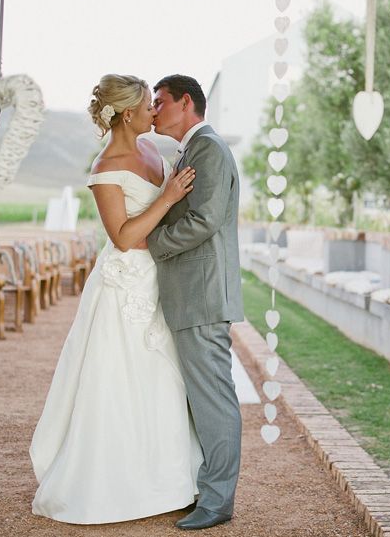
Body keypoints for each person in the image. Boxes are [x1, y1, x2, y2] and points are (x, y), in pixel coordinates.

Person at [29, 74, 202, 524]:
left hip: (159, 278)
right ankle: (115, 485)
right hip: (126, 285)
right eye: (150, 105)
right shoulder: (106, 167)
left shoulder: (153, 149)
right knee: (121, 381)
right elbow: (124, 237)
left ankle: (171, 481)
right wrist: (165, 198)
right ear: (129, 113)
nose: (155, 111)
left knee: (165, 381)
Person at [147, 74, 244, 531]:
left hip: (202, 295)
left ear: (186, 102)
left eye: (159, 101)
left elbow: (205, 219)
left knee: (214, 401)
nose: (153, 110)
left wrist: (154, 240)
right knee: (201, 401)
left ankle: (218, 501)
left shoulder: (207, 147)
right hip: (195, 294)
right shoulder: (193, 149)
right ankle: (207, 490)